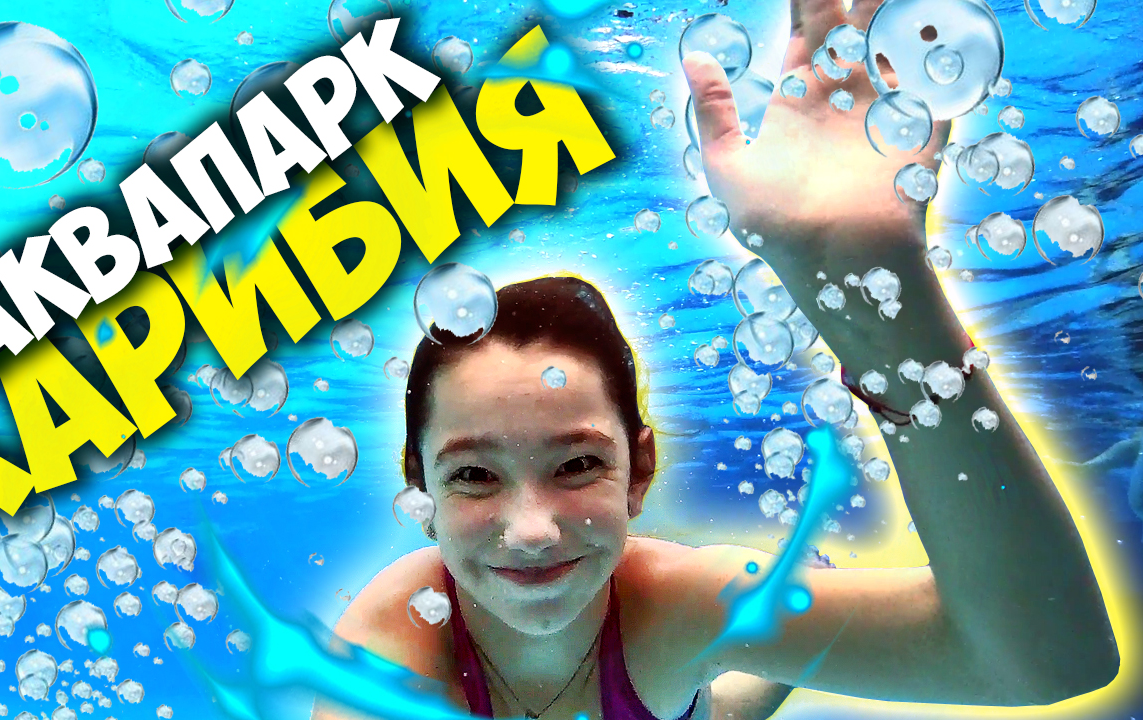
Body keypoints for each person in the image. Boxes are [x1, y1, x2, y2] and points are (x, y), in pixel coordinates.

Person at [312, 0, 1119, 718]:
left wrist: (887, 314)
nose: (531, 532)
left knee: (735, 682)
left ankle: (785, 617)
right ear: (419, 490)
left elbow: (1047, 663)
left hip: (680, 682)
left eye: (579, 464)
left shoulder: (676, 602)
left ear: (640, 470)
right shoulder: (394, 648)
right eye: (472, 475)